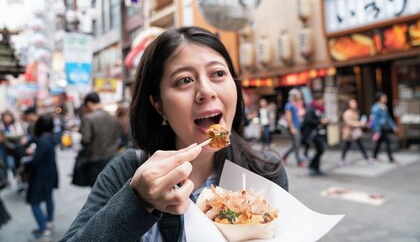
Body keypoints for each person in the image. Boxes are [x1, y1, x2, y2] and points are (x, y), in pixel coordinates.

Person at [60, 26, 288, 242]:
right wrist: (137, 201)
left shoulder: (264, 172)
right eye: (184, 80)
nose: (206, 92)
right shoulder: (128, 172)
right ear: (158, 104)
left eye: (218, 73)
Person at [23, 113, 58, 242]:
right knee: (48, 197)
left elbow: (36, 160)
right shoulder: (50, 138)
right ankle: (48, 223)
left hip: (41, 175)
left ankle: (43, 230)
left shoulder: (43, 140)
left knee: (34, 201)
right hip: (50, 172)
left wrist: (25, 161)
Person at [78, 92, 122, 187]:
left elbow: (85, 140)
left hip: (95, 159)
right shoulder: (113, 118)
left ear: (89, 104)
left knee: (96, 191)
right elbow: (118, 136)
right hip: (112, 158)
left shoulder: (88, 118)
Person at [301, 92, 329, 176]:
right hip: (312, 133)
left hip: (317, 132)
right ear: (317, 100)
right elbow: (308, 120)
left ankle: (315, 167)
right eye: (322, 100)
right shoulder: (311, 108)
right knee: (320, 149)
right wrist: (320, 121)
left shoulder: (318, 108)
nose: (323, 101)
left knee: (320, 150)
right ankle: (312, 166)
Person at [370, 91, 399, 163]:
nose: (385, 98)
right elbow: (375, 120)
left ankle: (374, 156)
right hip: (380, 128)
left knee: (379, 143)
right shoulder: (375, 108)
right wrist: (377, 130)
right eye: (384, 97)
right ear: (379, 98)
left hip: (384, 127)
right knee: (387, 142)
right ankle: (390, 158)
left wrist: (393, 126)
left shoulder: (384, 107)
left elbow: (388, 118)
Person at [341, 99, 371, 165]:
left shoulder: (355, 112)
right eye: (353, 103)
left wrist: (362, 124)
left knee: (360, 144)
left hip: (355, 132)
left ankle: (367, 157)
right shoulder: (347, 113)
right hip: (349, 132)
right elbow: (350, 123)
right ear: (349, 105)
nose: (355, 104)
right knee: (347, 146)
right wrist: (360, 124)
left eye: (355, 103)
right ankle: (342, 159)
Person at [282, 88, 306, 167]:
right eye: (298, 94)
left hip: (297, 126)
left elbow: (296, 115)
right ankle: (299, 161)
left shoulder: (294, 104)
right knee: (297, 145)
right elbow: (288, 117)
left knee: (295, 144)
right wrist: (292, 128)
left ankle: (284, 156)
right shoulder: (289, 105)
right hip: (294, 128)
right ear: (294, 95)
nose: (300, 95)